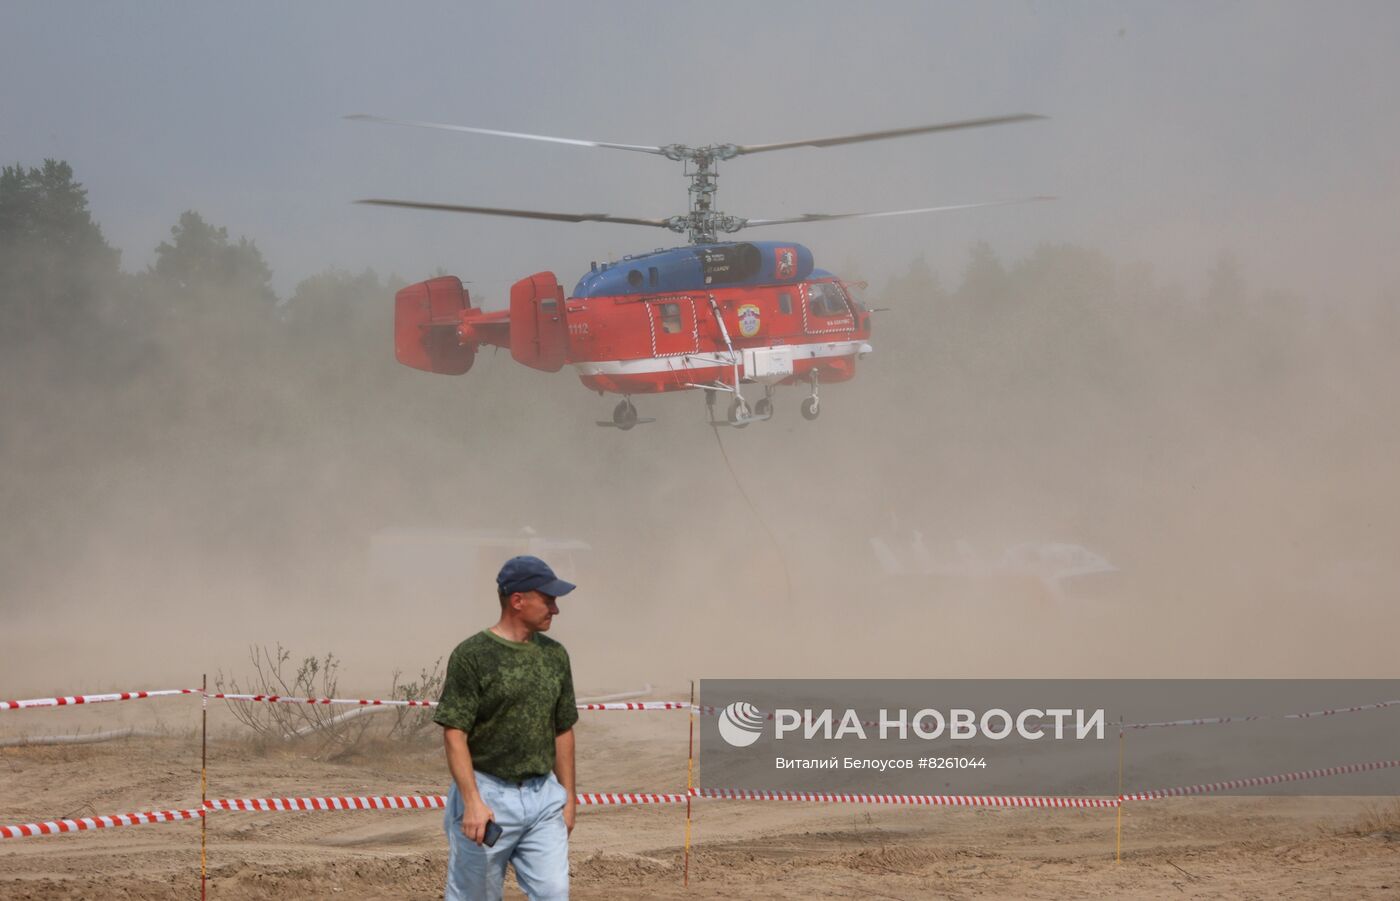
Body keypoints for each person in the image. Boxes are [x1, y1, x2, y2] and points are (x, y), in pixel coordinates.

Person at [435, 555, 579, 900]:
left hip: (543, 797)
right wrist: (472, 801)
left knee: (554, 892)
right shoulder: (473, 655)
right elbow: (455, 733)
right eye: (548, 599)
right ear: (518, 600)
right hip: (488, 796)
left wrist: (569, 797)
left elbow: (563, 729)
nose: (555, 609)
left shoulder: (555, 656)